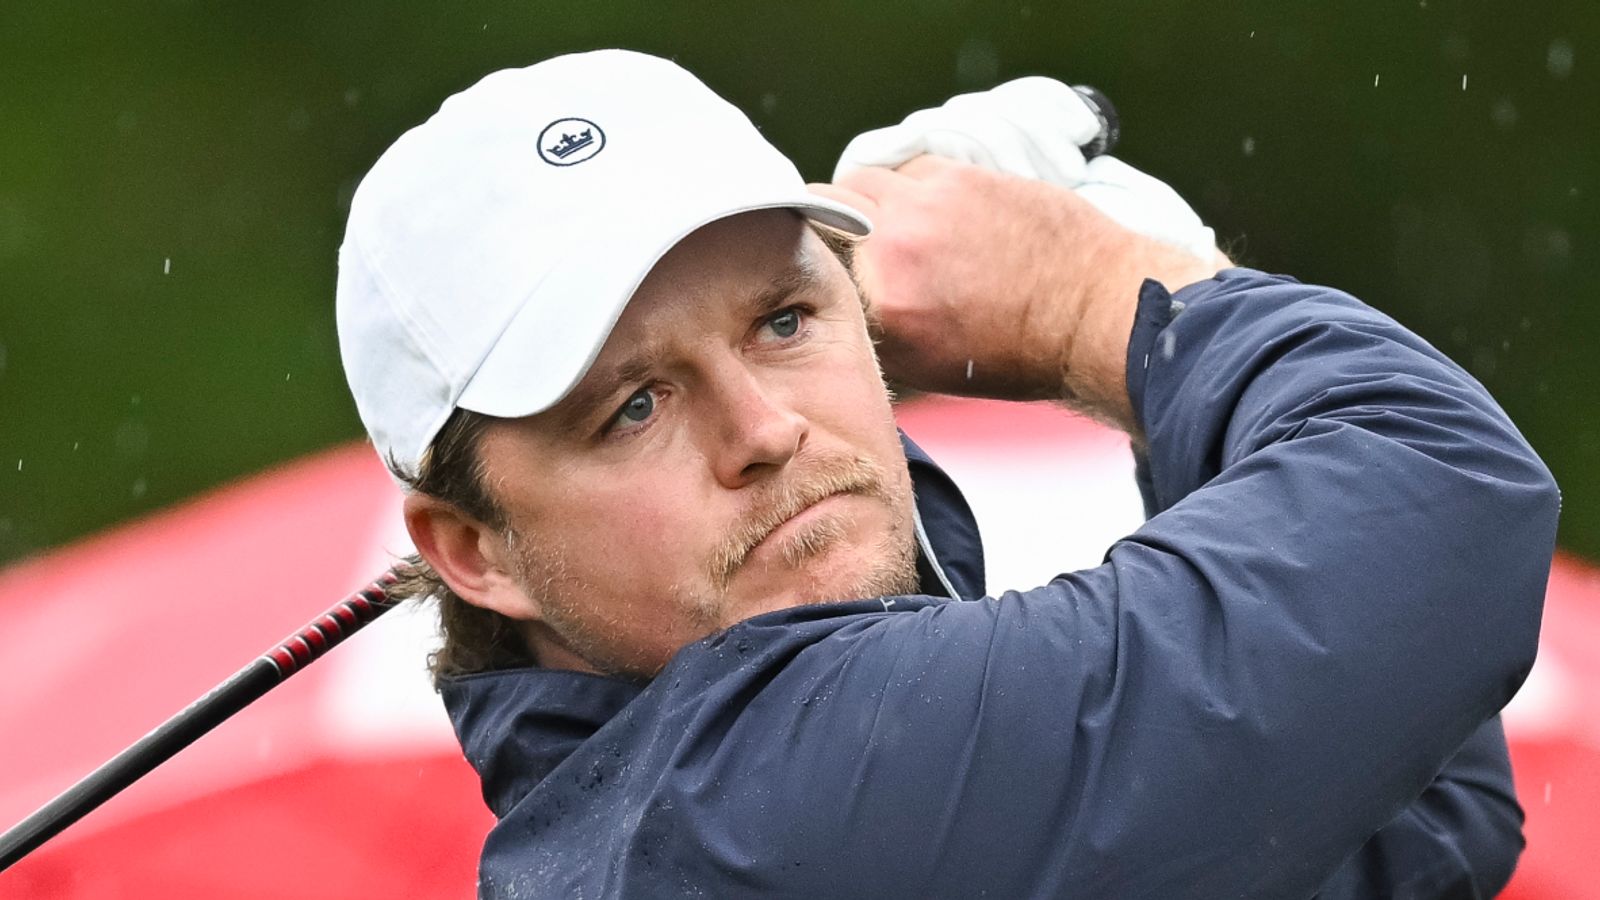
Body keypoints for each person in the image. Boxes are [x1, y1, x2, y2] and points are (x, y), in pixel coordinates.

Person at [334, 49, 1558, 898]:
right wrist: (1099, 297)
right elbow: (1445, 496)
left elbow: (1415, 815)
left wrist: (1171, 303)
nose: (763, 429)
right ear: (473, 551)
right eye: (633, 407)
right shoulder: (740, 804)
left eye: (783, 320)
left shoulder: (661, 825)